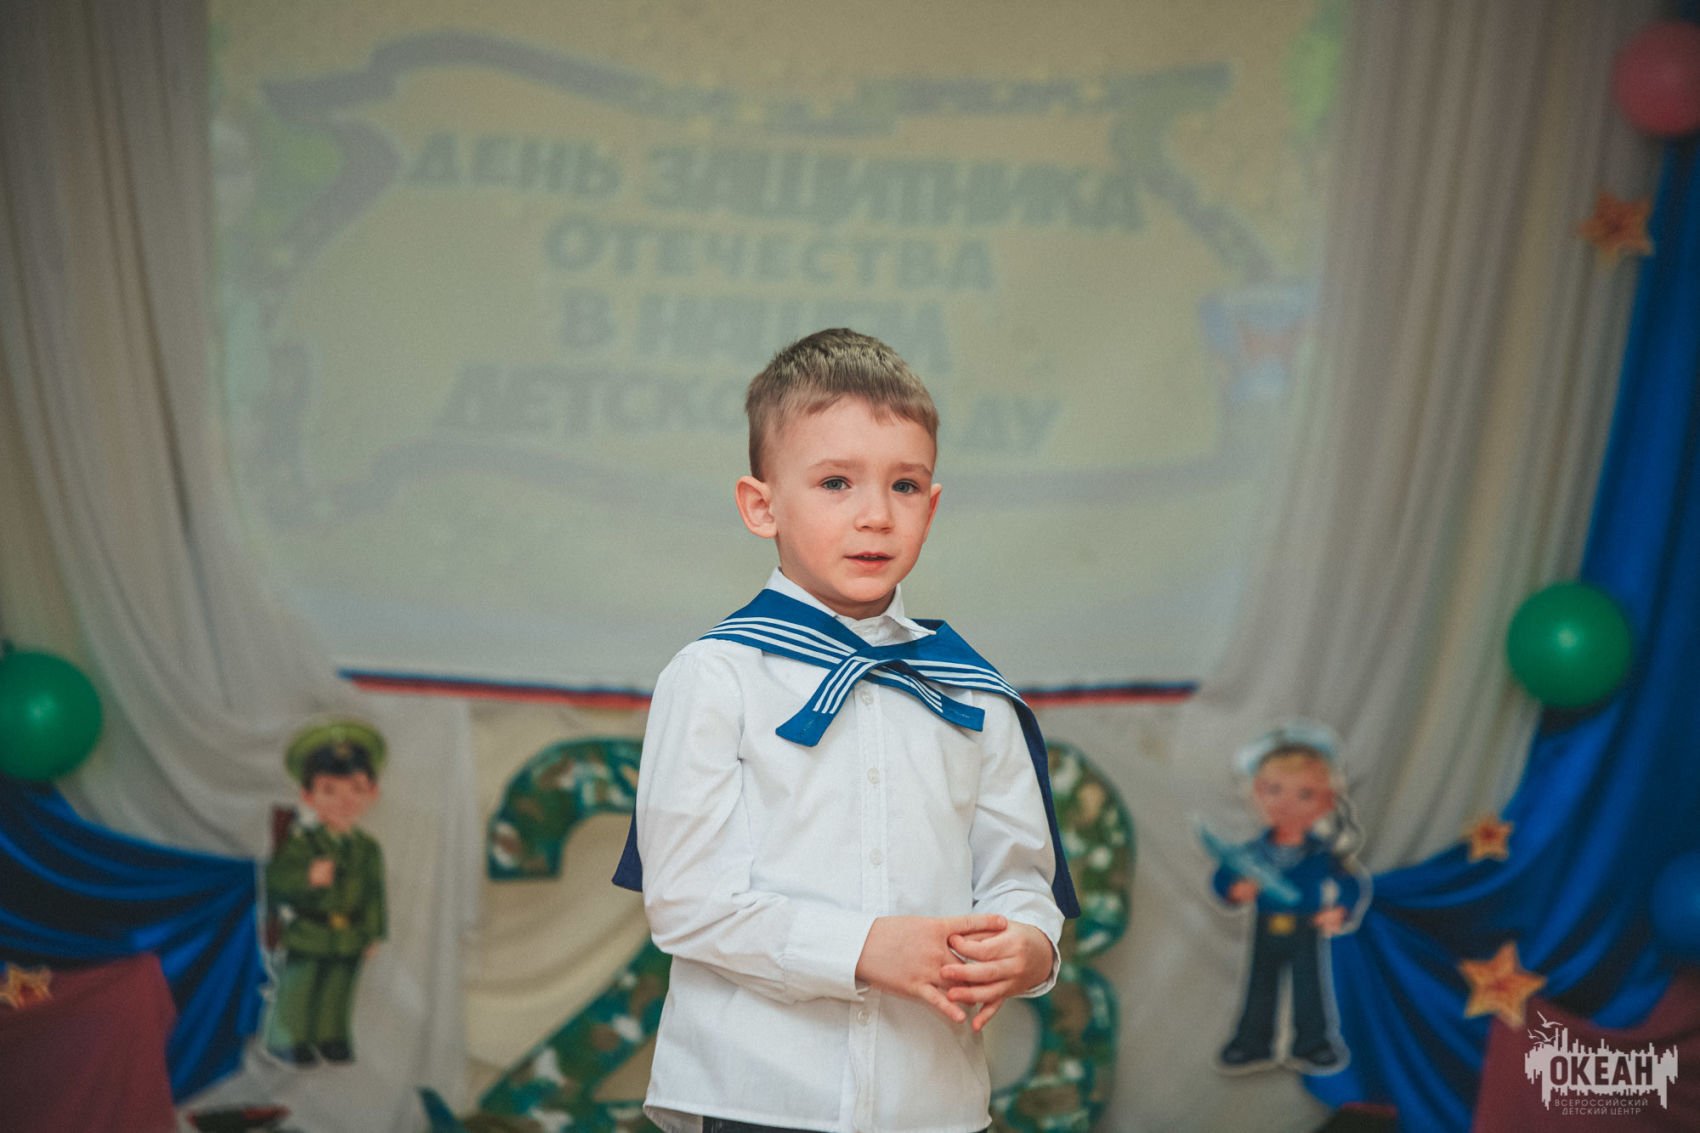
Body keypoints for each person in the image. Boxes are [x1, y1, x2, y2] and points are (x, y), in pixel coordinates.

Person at [614, 328, 1078, 1133]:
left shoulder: (973, 690)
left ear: (932, 506)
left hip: (932, 1103)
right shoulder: (716, 675)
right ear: (762, 505)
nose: (875, 515)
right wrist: (862, 947)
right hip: (756, 1094)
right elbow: (687, 901)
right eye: (836, 481)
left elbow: (1017, 879)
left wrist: (1029, 945)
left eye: (905, 485)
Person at [1210, 721, 1368, 1076]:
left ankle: (1313, 1043)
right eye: (1274, 790)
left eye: (1305, 794)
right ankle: (1251, 1042)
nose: (1287, 804)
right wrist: (1234, 890)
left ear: (1328, 799)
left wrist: (1341, 910)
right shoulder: (1254, 853)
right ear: (1256, 792)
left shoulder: (1322, 854)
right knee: (1259, 987)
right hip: (1266, 926)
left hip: (1305, 927)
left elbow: (1351, 882)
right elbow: (1223, 875)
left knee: (1309, 989)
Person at [263, 718, 387, 1066]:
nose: (344, 801)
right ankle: (288, 1040)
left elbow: (374, 894)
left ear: (372, 793)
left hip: (350, 934)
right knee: (300, 988)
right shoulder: (303, 843)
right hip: (310, 930)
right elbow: (275, 882)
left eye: (356, 789)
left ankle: (331, 1037)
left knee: (338, 988)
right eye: (329, 790)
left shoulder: (367, 849)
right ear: (308, 796)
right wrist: (307, 877)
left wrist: (374, 933)